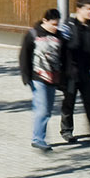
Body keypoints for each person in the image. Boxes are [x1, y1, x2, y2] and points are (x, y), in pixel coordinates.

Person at [58, 0, 90, 144]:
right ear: (79, 9)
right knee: (69, 102)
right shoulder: (69, 25)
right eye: (88, 9)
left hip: (88, 71)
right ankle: (67, 131)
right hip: (71, 72)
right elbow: (67, 44)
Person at [17, 8, 64, 152]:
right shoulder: (33, 34)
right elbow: (24, 55)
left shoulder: (60, 36)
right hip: (38, 78)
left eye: (57, 24)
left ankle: (39, 137)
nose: (55, 27)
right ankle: (38, 139)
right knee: (42, 109)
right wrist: (26, 77)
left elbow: (64, 57)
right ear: (45, 21)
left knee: (47, 110)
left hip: (53, 78)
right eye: (53, 24)